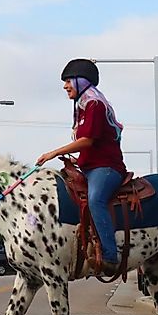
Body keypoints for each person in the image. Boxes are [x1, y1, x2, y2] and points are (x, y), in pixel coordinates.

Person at [37, 59, 127, 275]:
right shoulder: (84, 104)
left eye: (68, 81)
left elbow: (87, 140)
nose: (65, 86)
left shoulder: (94, 104)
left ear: (81, 81)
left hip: (107, 168)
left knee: (96, 200)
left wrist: (54, 153)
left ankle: (109, 255)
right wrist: (79, 160)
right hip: (91, 167)